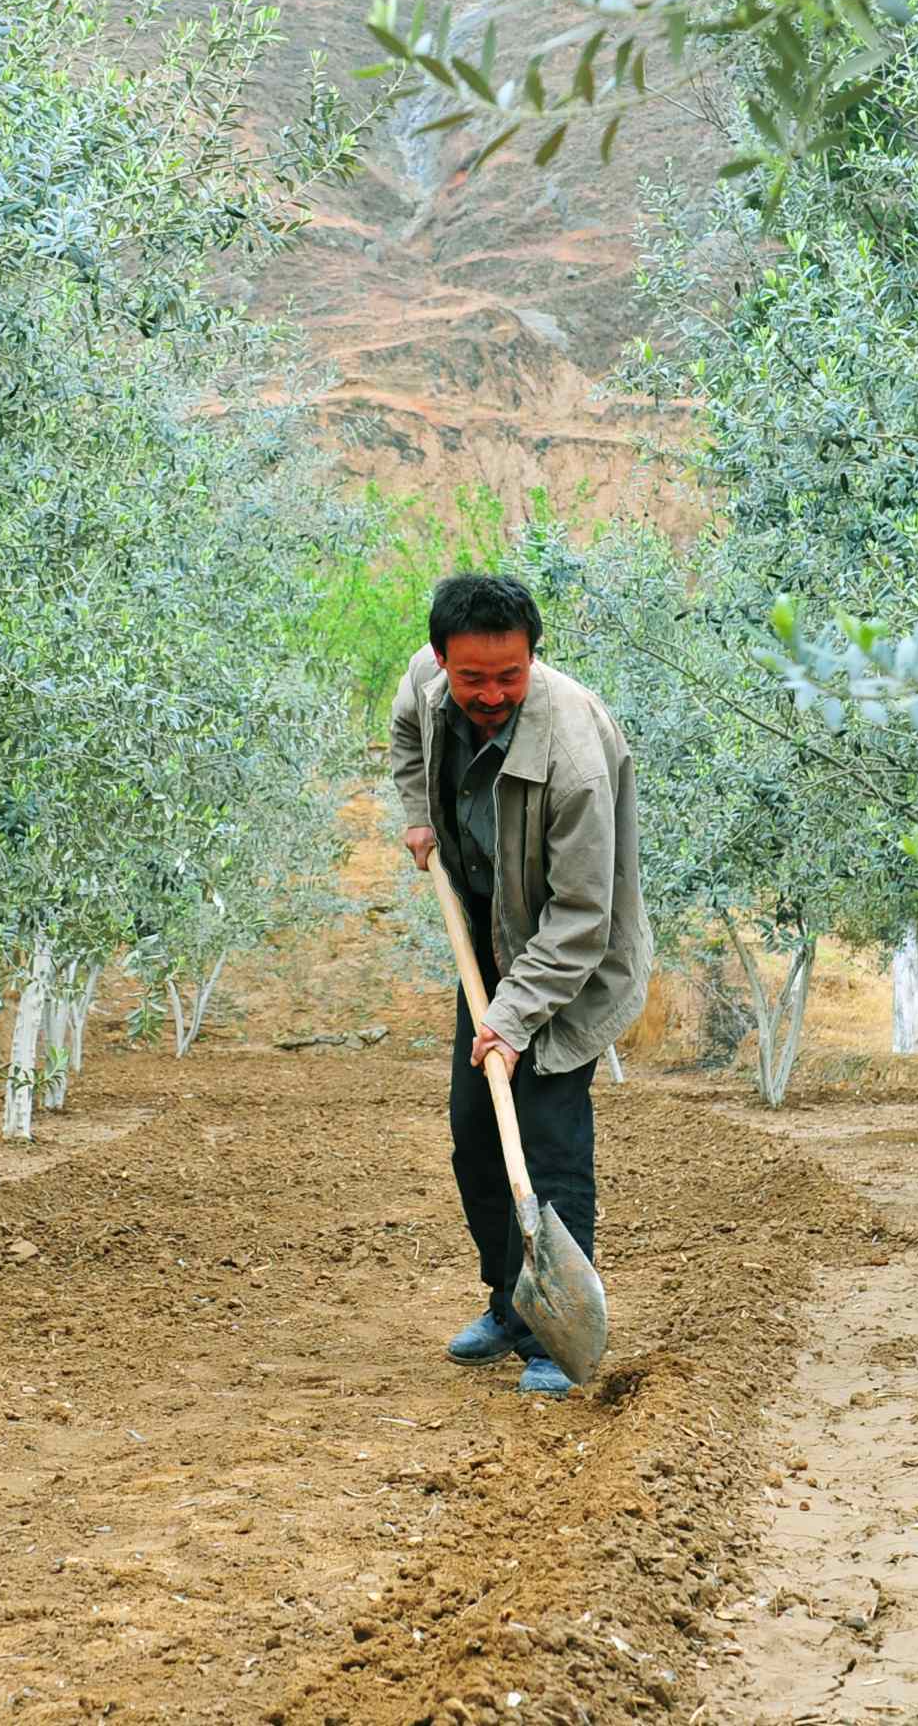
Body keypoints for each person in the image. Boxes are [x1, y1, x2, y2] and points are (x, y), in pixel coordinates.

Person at [389, 572, 650, 1396]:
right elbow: (405, 735)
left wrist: (513, 1019)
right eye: (474, 679)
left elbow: (581, 919)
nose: (493, 693)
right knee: (475, 1134)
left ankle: (553, 1335)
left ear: (535, 657)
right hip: (492, 944)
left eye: (511, 675)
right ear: (442, 661)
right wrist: (417, 811)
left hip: (570, 966)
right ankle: (509, 1302)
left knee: (547, 1134)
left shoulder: (573, 760)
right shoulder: (427, 685)